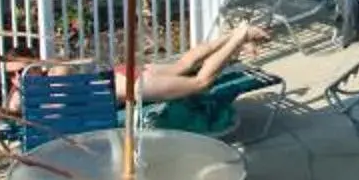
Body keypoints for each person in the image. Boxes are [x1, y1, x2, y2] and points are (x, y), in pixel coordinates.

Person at [20, 21, 269, 107]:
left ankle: (239, 36)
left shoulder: (48, 84)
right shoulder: (46, 77)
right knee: (183, 63)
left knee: (200, 82)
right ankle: (236, 34)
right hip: (121, 76)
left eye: (19, 72)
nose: (16, 78)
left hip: (130, 86)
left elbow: (62, 70)